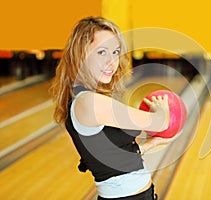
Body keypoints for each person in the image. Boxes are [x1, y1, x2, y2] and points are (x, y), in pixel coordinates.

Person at [50, 16, 174, 200]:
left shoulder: (81, 99)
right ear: (80, 54)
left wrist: (148, 145)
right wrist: (162, 110)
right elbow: (158, 123)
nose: (112, 61)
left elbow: (108, 158)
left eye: (115, 52)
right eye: (102, 52)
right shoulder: (90, 103)